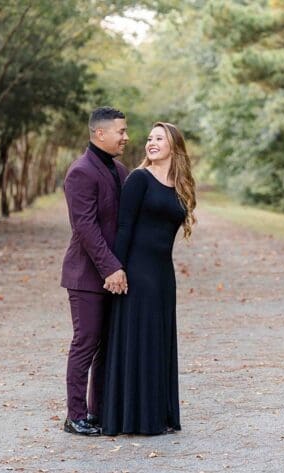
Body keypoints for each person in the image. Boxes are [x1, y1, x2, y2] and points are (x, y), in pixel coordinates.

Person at [101, 122, 197, 436]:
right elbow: (124, 228)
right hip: (136, 272)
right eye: (149, 138)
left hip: (163, 275)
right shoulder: (139, 179)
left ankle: (158, 415)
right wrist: (117, 269)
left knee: (158, 342)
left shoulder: (181, 185)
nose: (151, 143)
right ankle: (132, 418)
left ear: (174, 146)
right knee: (137, 341)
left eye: (159, 138)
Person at [59, 106, 130, 436]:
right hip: (87, 276)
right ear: (99, 133)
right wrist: (111, 267)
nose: (126, 137)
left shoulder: (120, 169)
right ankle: (75, 416)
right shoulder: (80, 172)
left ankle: (98, 411)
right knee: (85, 343)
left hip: (115, 275)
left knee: (106, 345)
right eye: (121, 131)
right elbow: (85, 227)